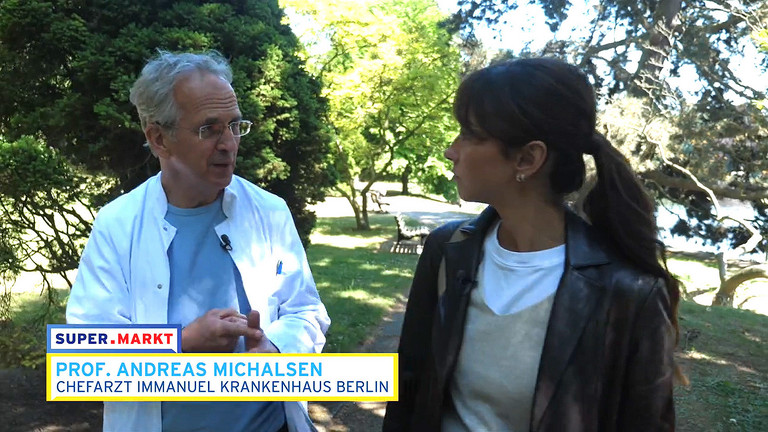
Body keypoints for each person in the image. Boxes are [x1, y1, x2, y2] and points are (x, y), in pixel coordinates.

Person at [383, 58, 682, 431]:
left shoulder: (629, 292)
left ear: (528, 158)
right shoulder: (447, 250)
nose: (451, 150)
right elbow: (408, 385)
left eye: (470, 135)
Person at [66, 51, 330, 432]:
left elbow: (306, 311)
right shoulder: (117, 225)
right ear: (159, 138)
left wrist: (275, 349)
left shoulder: (269, 211)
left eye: (235, 126)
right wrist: (182, 341)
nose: (229, 144)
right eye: (209, 129)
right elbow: (86, 350)